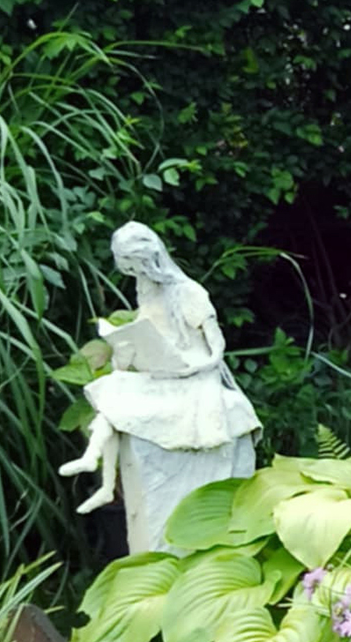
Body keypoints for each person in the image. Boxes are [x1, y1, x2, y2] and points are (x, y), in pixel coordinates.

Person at [58, 222, 259, 547]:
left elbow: (216, 347)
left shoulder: (189, 292)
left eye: (136, 265)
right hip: (162, 374)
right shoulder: (147, 291)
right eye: (128, 267)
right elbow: (146, 337)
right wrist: (124, 352)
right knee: (114, 390)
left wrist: (193, 365)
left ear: (150, 259)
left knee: (135, 406)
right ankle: (101, 474)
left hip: (193, 377)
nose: (134, 273)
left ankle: (104, 479)